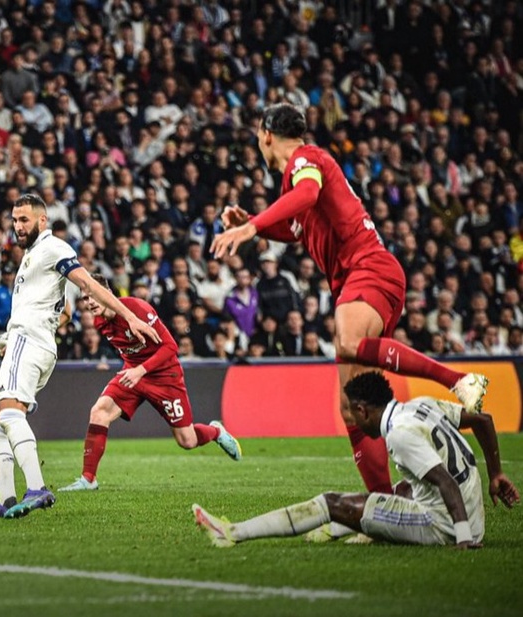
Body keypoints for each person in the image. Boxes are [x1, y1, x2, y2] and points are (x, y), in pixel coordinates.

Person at [210, 103, 489, 494]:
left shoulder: (306, 159)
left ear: (266, 135)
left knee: (347, 343)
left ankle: (458, 380)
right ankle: (383, 502)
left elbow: (307, 193)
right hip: (359, 281)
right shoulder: (297, 181)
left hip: (368, 269)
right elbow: (296, 228)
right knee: (354, 408)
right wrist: (256, 226)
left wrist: (252, 227)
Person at [0, 194, 161, 520]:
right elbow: (65, 312)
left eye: (24, 220)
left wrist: (129, 316)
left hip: (29, 342)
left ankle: (37, 489)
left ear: (42, 220)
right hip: (25, 340)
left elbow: (86, 283)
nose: (18, 226)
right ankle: (5, 501)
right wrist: (10, 336)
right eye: (14, 220)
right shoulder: (33, 254)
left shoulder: (53, 248)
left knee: (9, 414)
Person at [194, 372, 519, 548]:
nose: (351, 420)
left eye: (350, 412)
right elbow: (483, 419)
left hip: (445, 526)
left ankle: (233, 533)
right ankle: (338, 530)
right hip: (471, 516)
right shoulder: (421, 405)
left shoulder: (399, 434)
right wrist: (496, 474)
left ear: (362, 410)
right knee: (402, 489)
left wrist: (462, 538)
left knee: (332, 502)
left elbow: (444, 481)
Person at [59, 274, 242, 492]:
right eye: (85, 298)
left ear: (107, 293)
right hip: (133, 373)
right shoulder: (100, 321)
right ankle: (88, 479)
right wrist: (134, 370)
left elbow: (170, 347)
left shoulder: (137, 309)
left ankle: (216, 432)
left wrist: (140, 370)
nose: (89, 302)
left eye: (93, 296)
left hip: (164, 375)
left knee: (187, 440)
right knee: (99, 412)